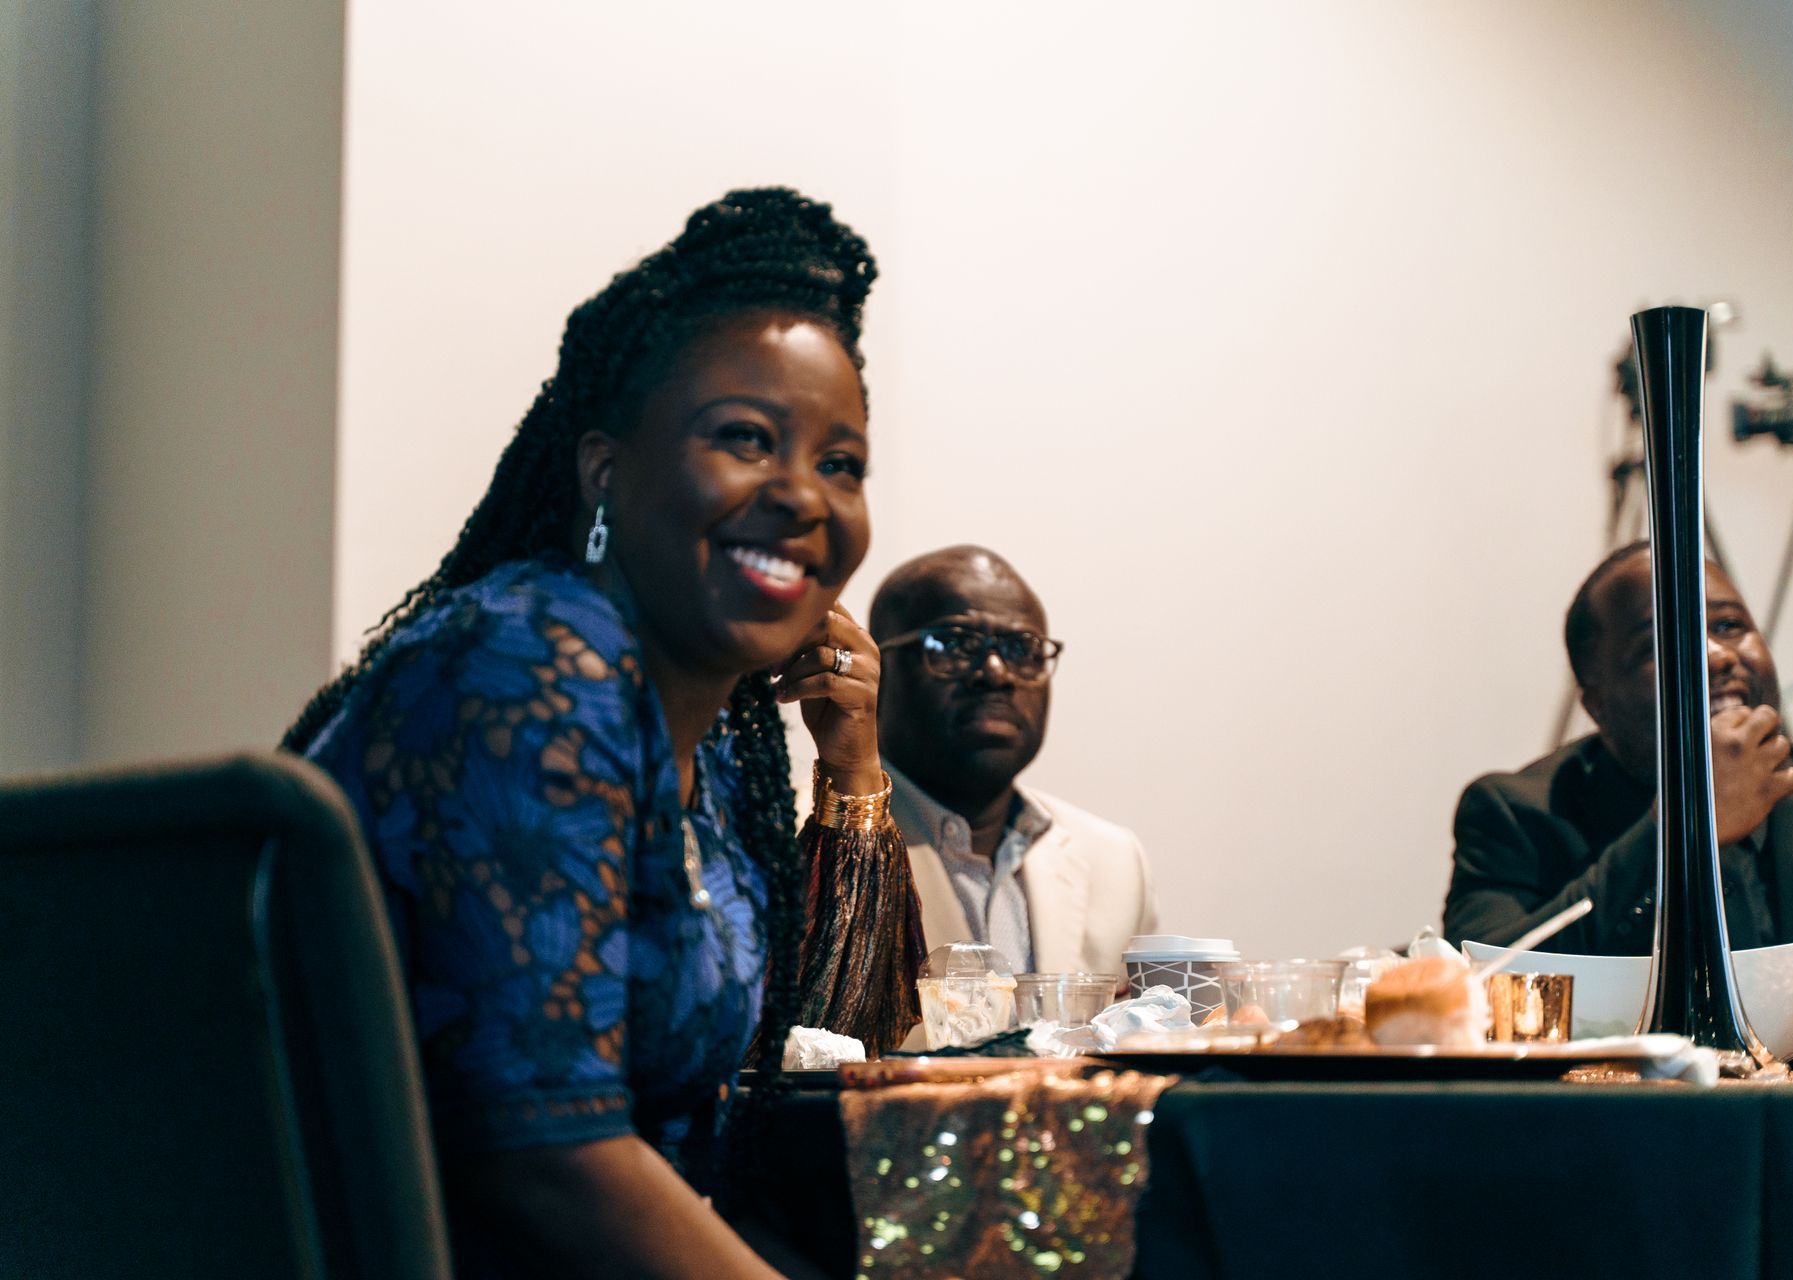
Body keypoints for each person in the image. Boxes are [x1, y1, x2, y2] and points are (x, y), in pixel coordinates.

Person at [285, 188, 924, 1279]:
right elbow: (545, 1150)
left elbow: (776, 1077)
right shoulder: (531, 662)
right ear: (604, 468)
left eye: (841, 461)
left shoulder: (713, 745)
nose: (804, 495)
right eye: (745, 438)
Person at [1443, 540, 1793, 956]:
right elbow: (1483, 990)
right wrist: (1682, 828)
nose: (1717, 656)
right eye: (1659, 643)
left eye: (1730, 625)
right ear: (1596, 702)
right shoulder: (1513, 818)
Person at [870, 546, 1158, 982]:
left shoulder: (1114, 862)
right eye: (955, 644)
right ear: (876, 668)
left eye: (1022, 649)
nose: (996, 672)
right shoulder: (799, 839)